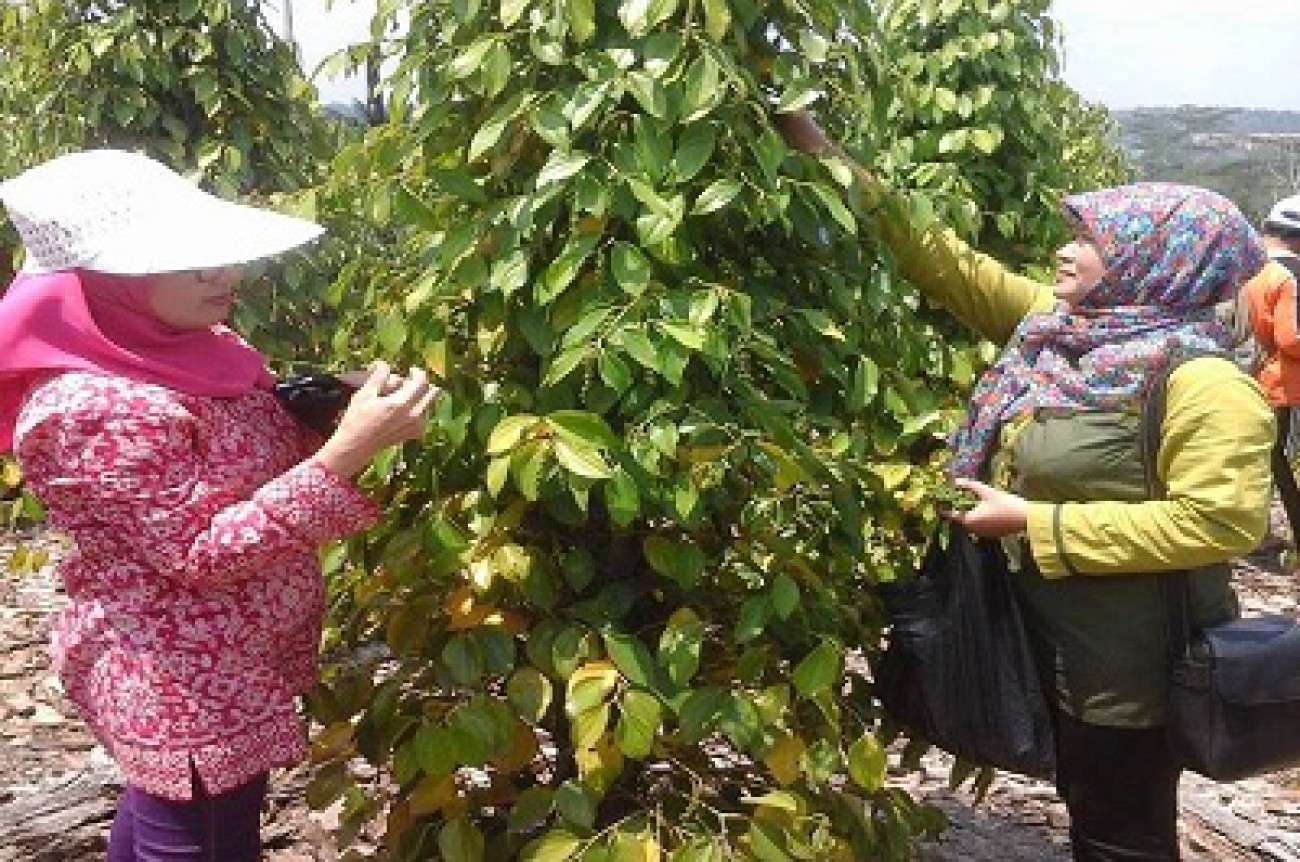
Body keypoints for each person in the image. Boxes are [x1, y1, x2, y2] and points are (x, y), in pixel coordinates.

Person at [775, 112, 1273, 861]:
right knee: (1092, 815)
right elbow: (944, 262)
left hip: (1125, 673)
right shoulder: (1065, 329)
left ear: (1154, 260)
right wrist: (821, 152)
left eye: (1090, 241)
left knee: (1121, 837)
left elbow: (1222, 523)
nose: (1063, 251)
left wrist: (1037, 523)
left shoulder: (1202, 382)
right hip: (1046, 641)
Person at [0, 150, 437, 861]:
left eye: (214, 255)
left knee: (176, 819)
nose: (223, 274)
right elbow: (198, 552)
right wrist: (349, 451)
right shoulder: (88, 410)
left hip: (227, 657)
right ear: (102, 282)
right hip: (180, 679)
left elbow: (238, 445)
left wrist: (322, 405)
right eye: (185, 261)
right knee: (204, 840)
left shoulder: (190, 345)